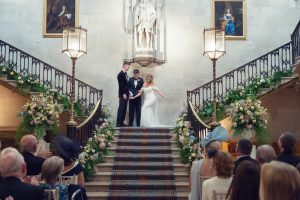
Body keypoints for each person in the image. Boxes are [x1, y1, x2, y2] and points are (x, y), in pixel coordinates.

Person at [189, 126, 228, 200]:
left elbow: (191, 187)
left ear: (206, 149)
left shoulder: (195, 165)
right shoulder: (224, 165)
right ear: (219, 150)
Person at [116, 62, 130, 127]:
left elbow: (126, 85)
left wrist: (128, 94)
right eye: (128, 66)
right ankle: (118, 123)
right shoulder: (120, 74)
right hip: (123, 94)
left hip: (126, 94)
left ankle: (122, 122)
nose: (128, 67)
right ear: (124, 66)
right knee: (121, 108)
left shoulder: (125, 74)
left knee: (124, 108)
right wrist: (124, 93)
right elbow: (121, 85)